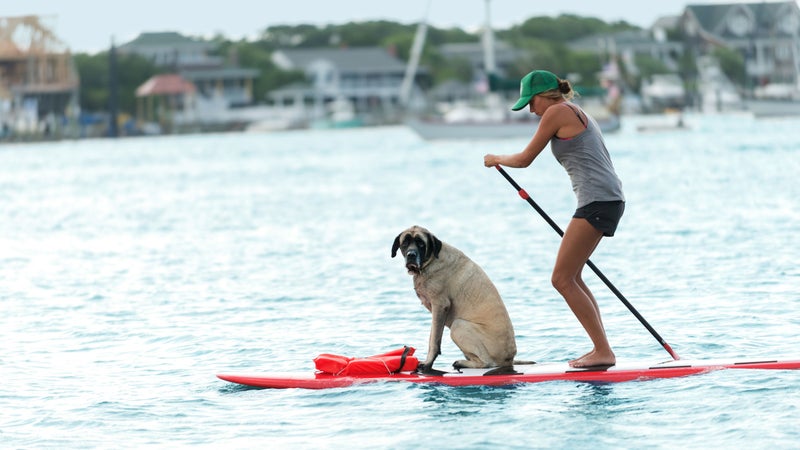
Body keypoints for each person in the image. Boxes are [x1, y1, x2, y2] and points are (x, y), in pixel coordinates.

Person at [483, 70, 625, 368]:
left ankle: (603, 351)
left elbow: (524, 160)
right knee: (571, 277)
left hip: (598, 201)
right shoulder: (575, 110)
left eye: (531, 102)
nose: (531, 111)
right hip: (606, 199)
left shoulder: (558, 112)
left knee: (561, 279)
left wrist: (496, 158)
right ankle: (601, 349)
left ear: (545, 95)